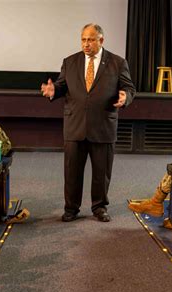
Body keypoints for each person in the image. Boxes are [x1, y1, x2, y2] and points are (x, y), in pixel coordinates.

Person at [41, 23, 136, 222]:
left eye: (91, 39)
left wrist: (124, 97)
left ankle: (100, 207)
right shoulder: (70, 62)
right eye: (83, 39)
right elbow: (61, 85)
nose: (86, 44)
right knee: (72, 171)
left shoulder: (117, 63)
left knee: (102, 172)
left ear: (101, 40)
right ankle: (71, 208)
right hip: (75, 125)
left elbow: (129, 88)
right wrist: (53, 92)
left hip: (103, 126)